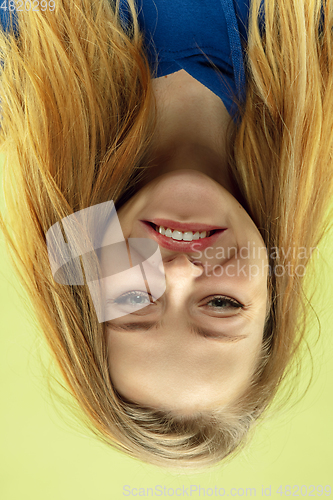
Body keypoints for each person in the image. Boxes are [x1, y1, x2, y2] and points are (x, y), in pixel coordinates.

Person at [0, 0, 332, 470]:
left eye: (135, 300)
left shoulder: (18, 67)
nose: (178, 272)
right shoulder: (320, 62)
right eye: (222, 304)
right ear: (273, 288)